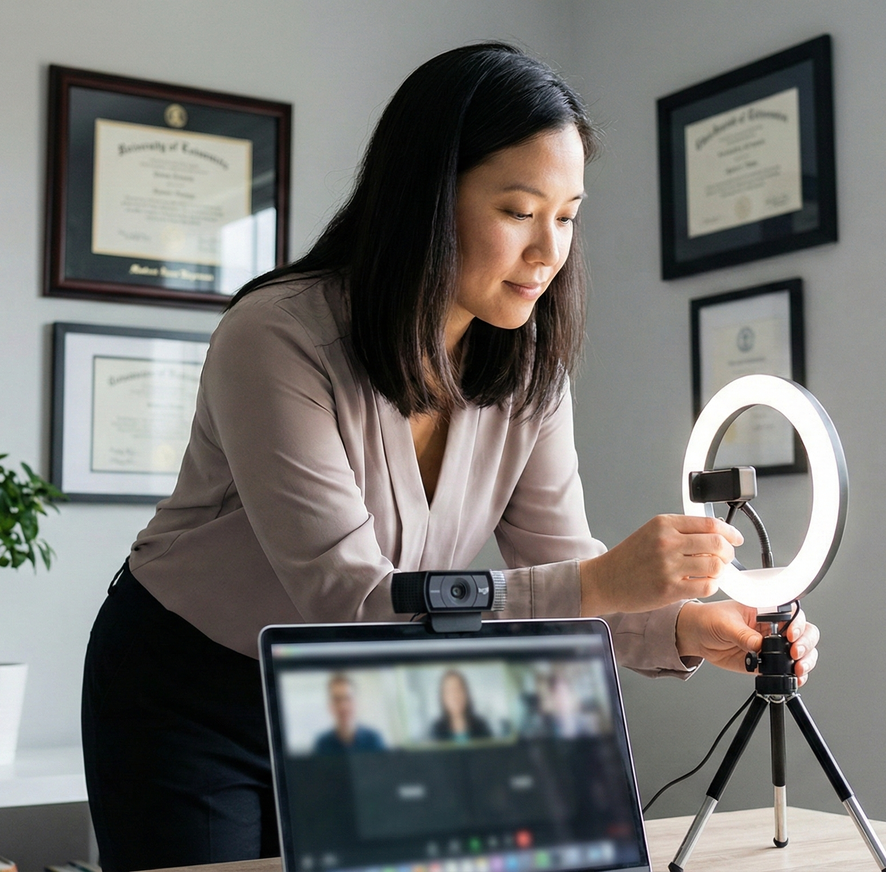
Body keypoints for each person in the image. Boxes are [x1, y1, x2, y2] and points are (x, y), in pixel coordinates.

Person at [80, 42, 822, 872]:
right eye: (517, 210)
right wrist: (607, 580)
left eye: (568, 215)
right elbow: (343, 601)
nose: (549, 250)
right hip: (191, 687)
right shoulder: (277, 336)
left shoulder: (530, 366)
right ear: (426, 199)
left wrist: (684, 627)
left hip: (374, 693)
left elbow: (556, 568)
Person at [313, 673, 387, 754]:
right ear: (330, 705)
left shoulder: (374, 740)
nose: (343, 706)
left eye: (347, 698)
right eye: (337, 700)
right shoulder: (322, 744)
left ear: (356, 702)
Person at [429, 669, 493, 742]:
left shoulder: (481, 726)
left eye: (458, 689)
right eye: (449, 691)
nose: (455, 696)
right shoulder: (435, 730)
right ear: (442, 697)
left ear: (466, 693)